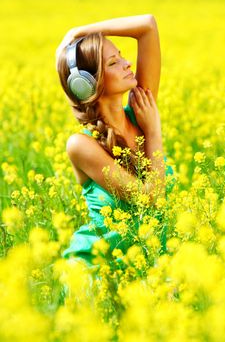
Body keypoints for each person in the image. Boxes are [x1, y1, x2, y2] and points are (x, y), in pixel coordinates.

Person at [55, 14, 175, 274]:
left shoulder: (141, 109)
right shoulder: (81, 145)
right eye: (113, 62)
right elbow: (150, 199)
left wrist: (79, 29)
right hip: (100, 272)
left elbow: (148, 26)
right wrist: (153, 132)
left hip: (150, 268)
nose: (127, 63)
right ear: (88, 85)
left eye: (121, 55)